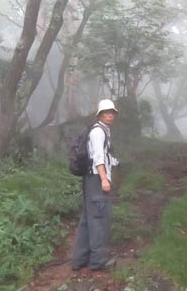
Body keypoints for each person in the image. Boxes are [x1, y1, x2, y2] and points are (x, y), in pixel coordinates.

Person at [71, 99, 120, 271]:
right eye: (106, 112)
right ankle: (98, 261)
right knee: (99, 218)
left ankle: (79, 260)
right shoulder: (98, 132)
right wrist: (104, 179)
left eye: (112, 112)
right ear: (99, 114)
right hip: (96, 180)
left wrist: (114, 163)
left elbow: (103, 156)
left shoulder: (103, 131)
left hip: (91, 179)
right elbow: (98, 157)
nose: (110, 115)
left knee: (88, 219)